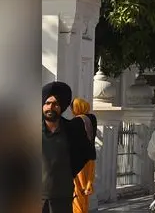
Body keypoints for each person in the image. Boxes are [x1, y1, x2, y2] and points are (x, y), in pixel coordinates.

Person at [42, 82, 96, 213]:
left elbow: (86, 153)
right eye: (47, 103)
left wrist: (66, 174)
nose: (50, 107)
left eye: (55, 104)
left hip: (62, 198)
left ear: (61, 107)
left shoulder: (71, 130)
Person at [70, 98, 97, 213]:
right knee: (85, 190)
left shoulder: (76, 122)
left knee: (77, 192)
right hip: (90, 160)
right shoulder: (92, 118)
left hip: (79, 161)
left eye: (72, 108)